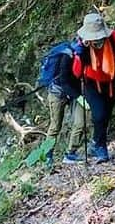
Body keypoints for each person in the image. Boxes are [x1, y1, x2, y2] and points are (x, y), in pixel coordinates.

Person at [64, 11, 115, 164]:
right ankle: (100, 147)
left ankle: (96, 142)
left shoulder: (112, 37)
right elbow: (77, 72)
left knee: (106, 115)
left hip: (111, 81)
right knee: (99, 115)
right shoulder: (80, 47)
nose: (97, 40)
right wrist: (81, 53)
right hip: (92, 84)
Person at [35, 39, 81, 169]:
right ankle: (47, 155)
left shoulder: (79, 53)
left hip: (72, 92)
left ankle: (70, 153)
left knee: (79, 123)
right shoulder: (67, 56)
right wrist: (78, 96)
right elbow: (64, 80)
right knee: (55, 126)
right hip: (57, 93)